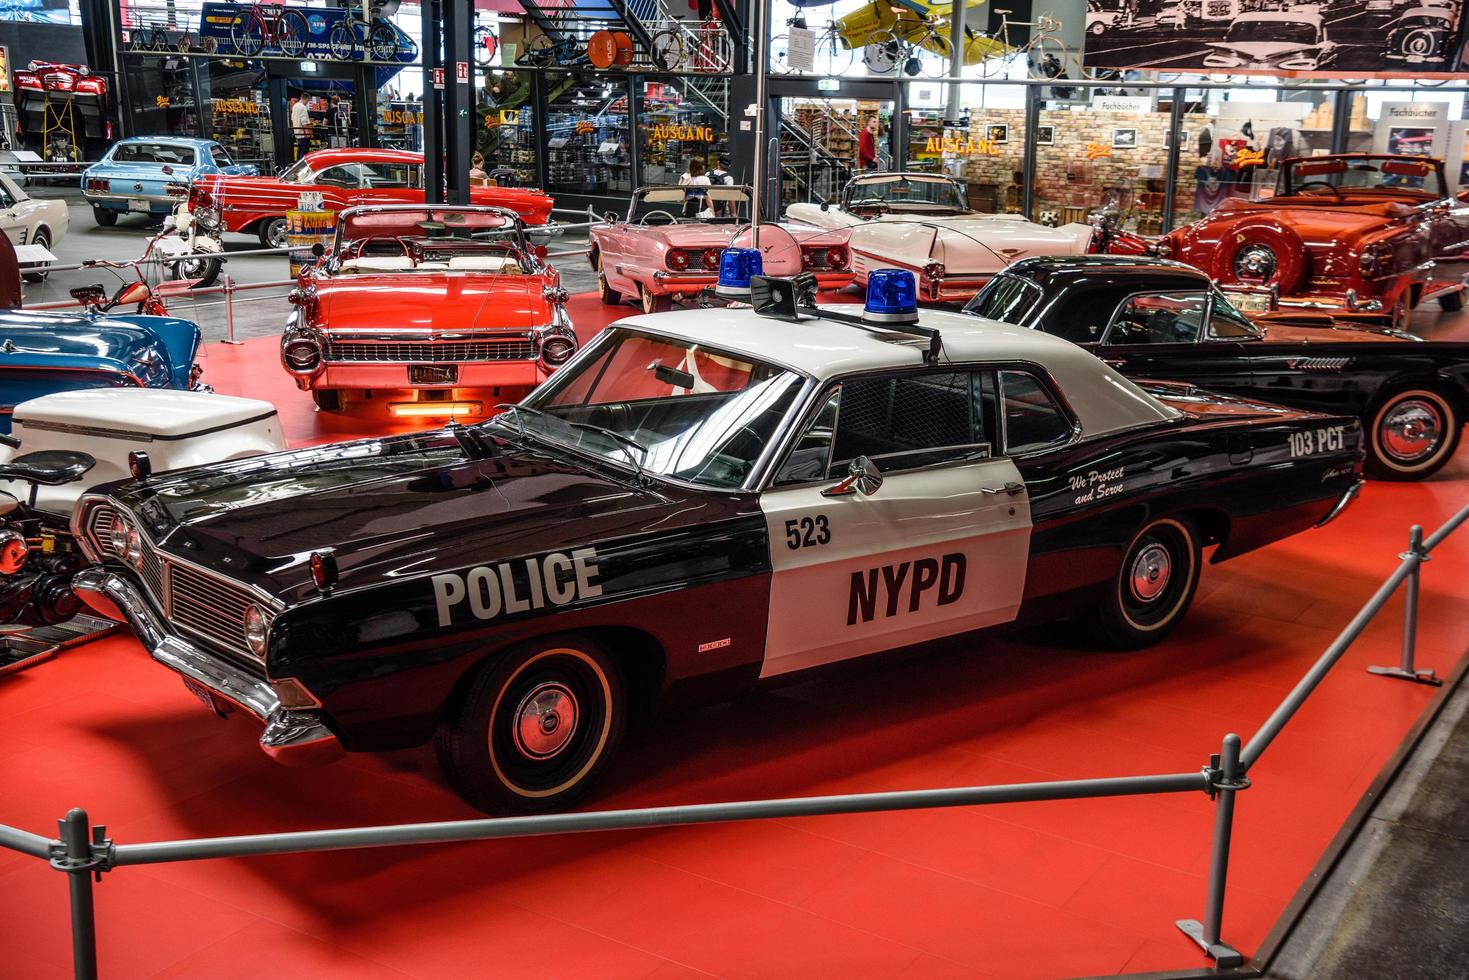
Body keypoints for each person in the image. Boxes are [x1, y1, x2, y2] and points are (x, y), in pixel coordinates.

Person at [291, 96, 313, 161]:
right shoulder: (303, 107)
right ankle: (302, 170)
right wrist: (308, 135)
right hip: (303, 135)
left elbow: (292, 120)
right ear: (306, 99)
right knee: (304, 156)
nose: (307, 103)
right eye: (308, 101)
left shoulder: (295, 106)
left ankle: (298, 169)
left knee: (299, 154)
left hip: (297, 134)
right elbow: (304, 123)